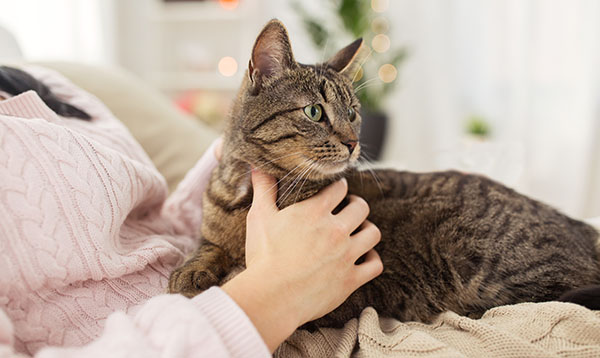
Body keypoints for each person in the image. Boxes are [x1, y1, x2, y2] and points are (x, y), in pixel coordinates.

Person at [0, 66, 382, 357]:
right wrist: (273, 294)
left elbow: (148, 227)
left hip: (263, 284)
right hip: (249, 324)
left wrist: (232, 167)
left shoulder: (48, 84)